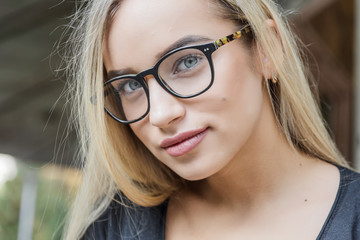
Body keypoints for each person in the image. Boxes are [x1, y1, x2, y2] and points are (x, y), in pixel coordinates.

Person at [62, 0, 360, 239]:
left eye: (187, 62)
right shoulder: (114, 228)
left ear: (267, 49)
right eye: (130, 86)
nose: (160, 115)